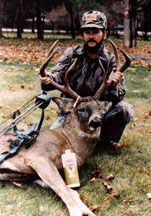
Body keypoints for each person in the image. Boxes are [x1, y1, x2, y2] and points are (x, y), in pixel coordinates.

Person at [40, 10, 133, 151]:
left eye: (95, 32)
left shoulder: (111, 59)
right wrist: (48, 79)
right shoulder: (72, 54)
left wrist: (114, 84)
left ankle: (105, 142)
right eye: (87, 32)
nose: (91, 36)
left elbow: (119, 95)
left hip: (98, 112)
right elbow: (55, 75)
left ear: (104, 34)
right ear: (83, 34)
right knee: (52, 145)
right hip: (73, 111)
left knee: (124, 109)